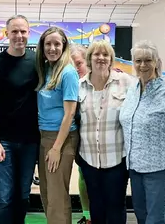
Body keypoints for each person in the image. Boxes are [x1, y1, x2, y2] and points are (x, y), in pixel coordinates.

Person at [0, 15, 40, 224]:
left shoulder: (37, 61)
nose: (19, 36)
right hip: (4, 140)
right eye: (14, 31)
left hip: (30, 140)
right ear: (6, 34)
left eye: (23, 31)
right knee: (4, 197)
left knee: (23, 194)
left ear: (28, 33)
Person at [77, 40, 132, 224]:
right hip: (89, 159)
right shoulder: (79, 86)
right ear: (89, 59)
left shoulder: (126, 82)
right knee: (96, 207)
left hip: (117, 159)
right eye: (96, 54)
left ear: (111, 59)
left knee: (116, 207)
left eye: (105, 55)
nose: (101, 58)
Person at [120, 40, 165, 224]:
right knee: (141, 216)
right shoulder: (132, 90)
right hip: (134, 168)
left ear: (157, 62)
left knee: (156, 219)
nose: (142, 65)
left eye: (148, 60)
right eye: (138, 60)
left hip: (159, 169)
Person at [36, 27, 79, 224]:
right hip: (44, 136)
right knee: (47, 194)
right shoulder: (45, 69)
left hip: (61, 138)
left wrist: (56, 148)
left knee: (57, 198)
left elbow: (70, 113)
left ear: (64, 46)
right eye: (48, 44)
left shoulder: (68, 72)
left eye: (57, 44)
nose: (52, 48)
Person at [70, 44, 91, 224]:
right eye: (72, 64)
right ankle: (88, 216)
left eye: (79, 63)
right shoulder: (71, 85)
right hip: (79, 141)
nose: (76, 68)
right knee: (83, 175)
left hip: (101, 143)